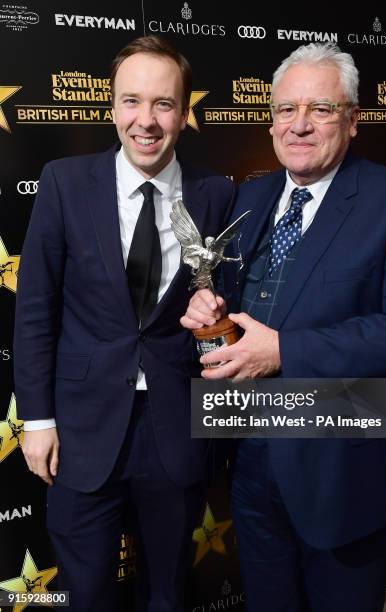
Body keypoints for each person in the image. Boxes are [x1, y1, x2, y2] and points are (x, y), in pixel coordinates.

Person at [181, 43, 386, 612]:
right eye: (285, 109)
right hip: (250, 462)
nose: (299, 125)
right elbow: (246, 303)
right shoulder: (249, 198)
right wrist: (209, 312)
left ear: (352, 121)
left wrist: (285, 352)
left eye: (320, 109)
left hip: (346, 466)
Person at [14, 35, 234, 612]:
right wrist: (36, 419)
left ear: (185, 113)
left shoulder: (216, 193)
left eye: (164, 104)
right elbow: (36, 308)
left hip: (175, 428)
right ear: (111, 107)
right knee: (85, 593)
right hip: (82, 430)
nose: (146, 121)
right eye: (131, 101)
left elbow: (224, 311)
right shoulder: (64, 182)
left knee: (168, 590)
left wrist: (217, 322)